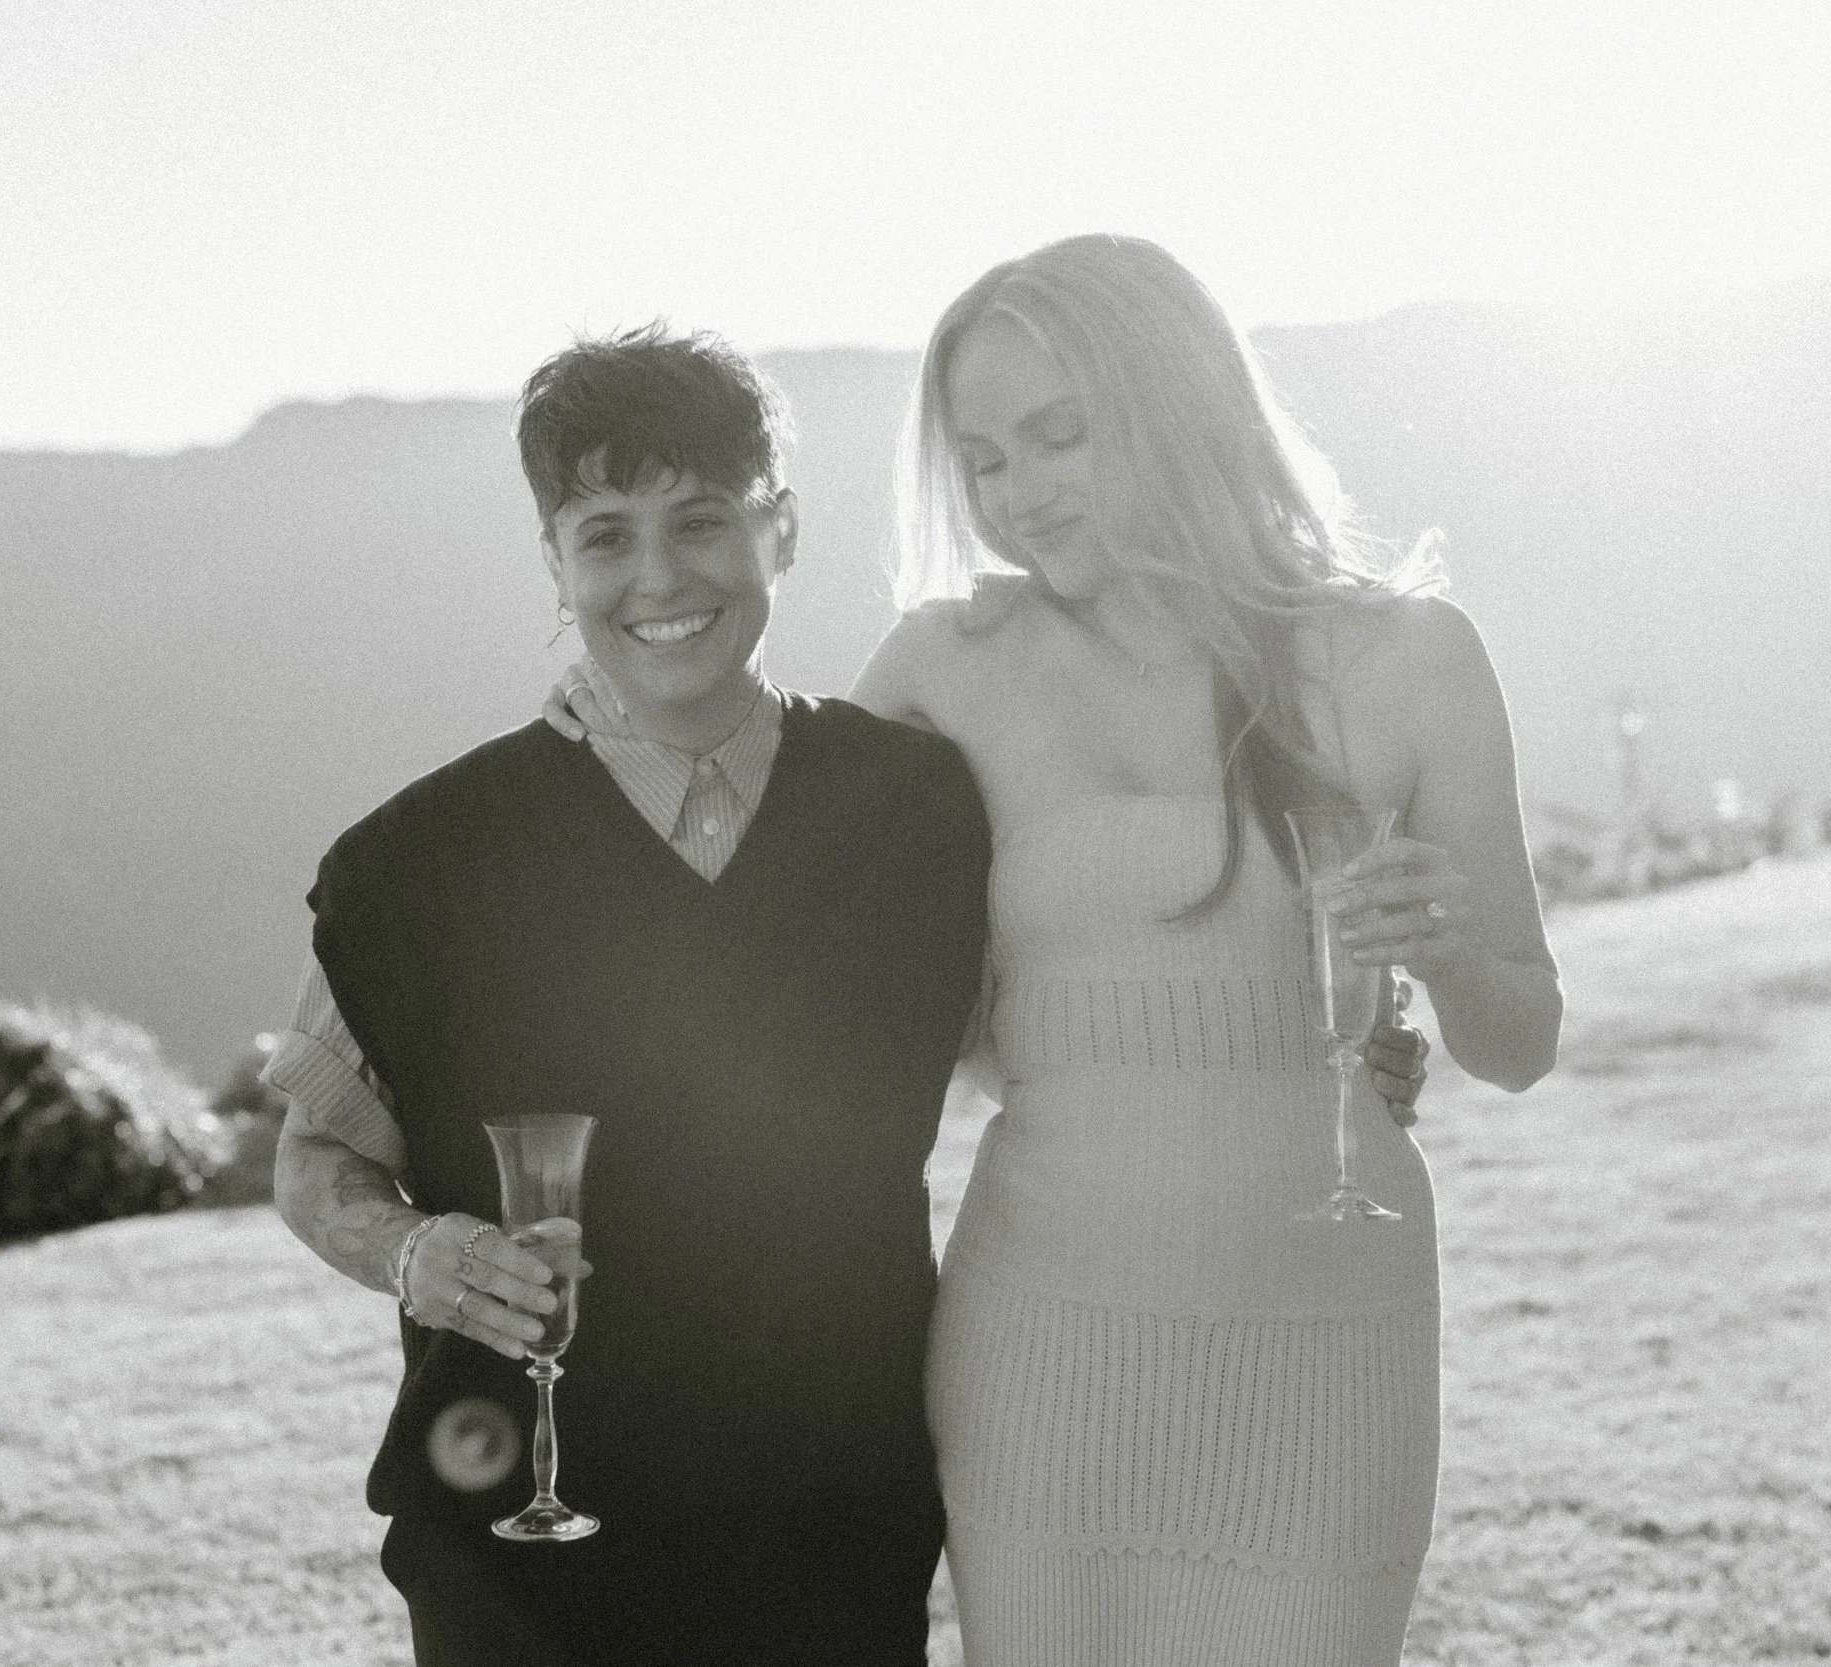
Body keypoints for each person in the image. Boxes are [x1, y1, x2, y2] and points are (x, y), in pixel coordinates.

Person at [559, 237, 1557, 1664]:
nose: (1019, 493)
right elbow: (781, 932)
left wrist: (1447, 953)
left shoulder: (1409, 658)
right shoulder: (943, 667)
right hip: (1044, 1347)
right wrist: (605, 708)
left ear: (1183, 400)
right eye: (982, 459)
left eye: (1058, 435)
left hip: (1329, 1342)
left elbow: (1520, 1040)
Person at [262, 323, 996, 1665]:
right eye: (604, 534)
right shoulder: (413, 867)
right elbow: (314, 1161)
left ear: (780, 528)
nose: (658, 577)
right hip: (525, 1560)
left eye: (701, 520)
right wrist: (415, 1256)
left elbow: (1067, 1022)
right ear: (555, 562)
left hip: (833, 1534)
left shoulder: (919, 812)